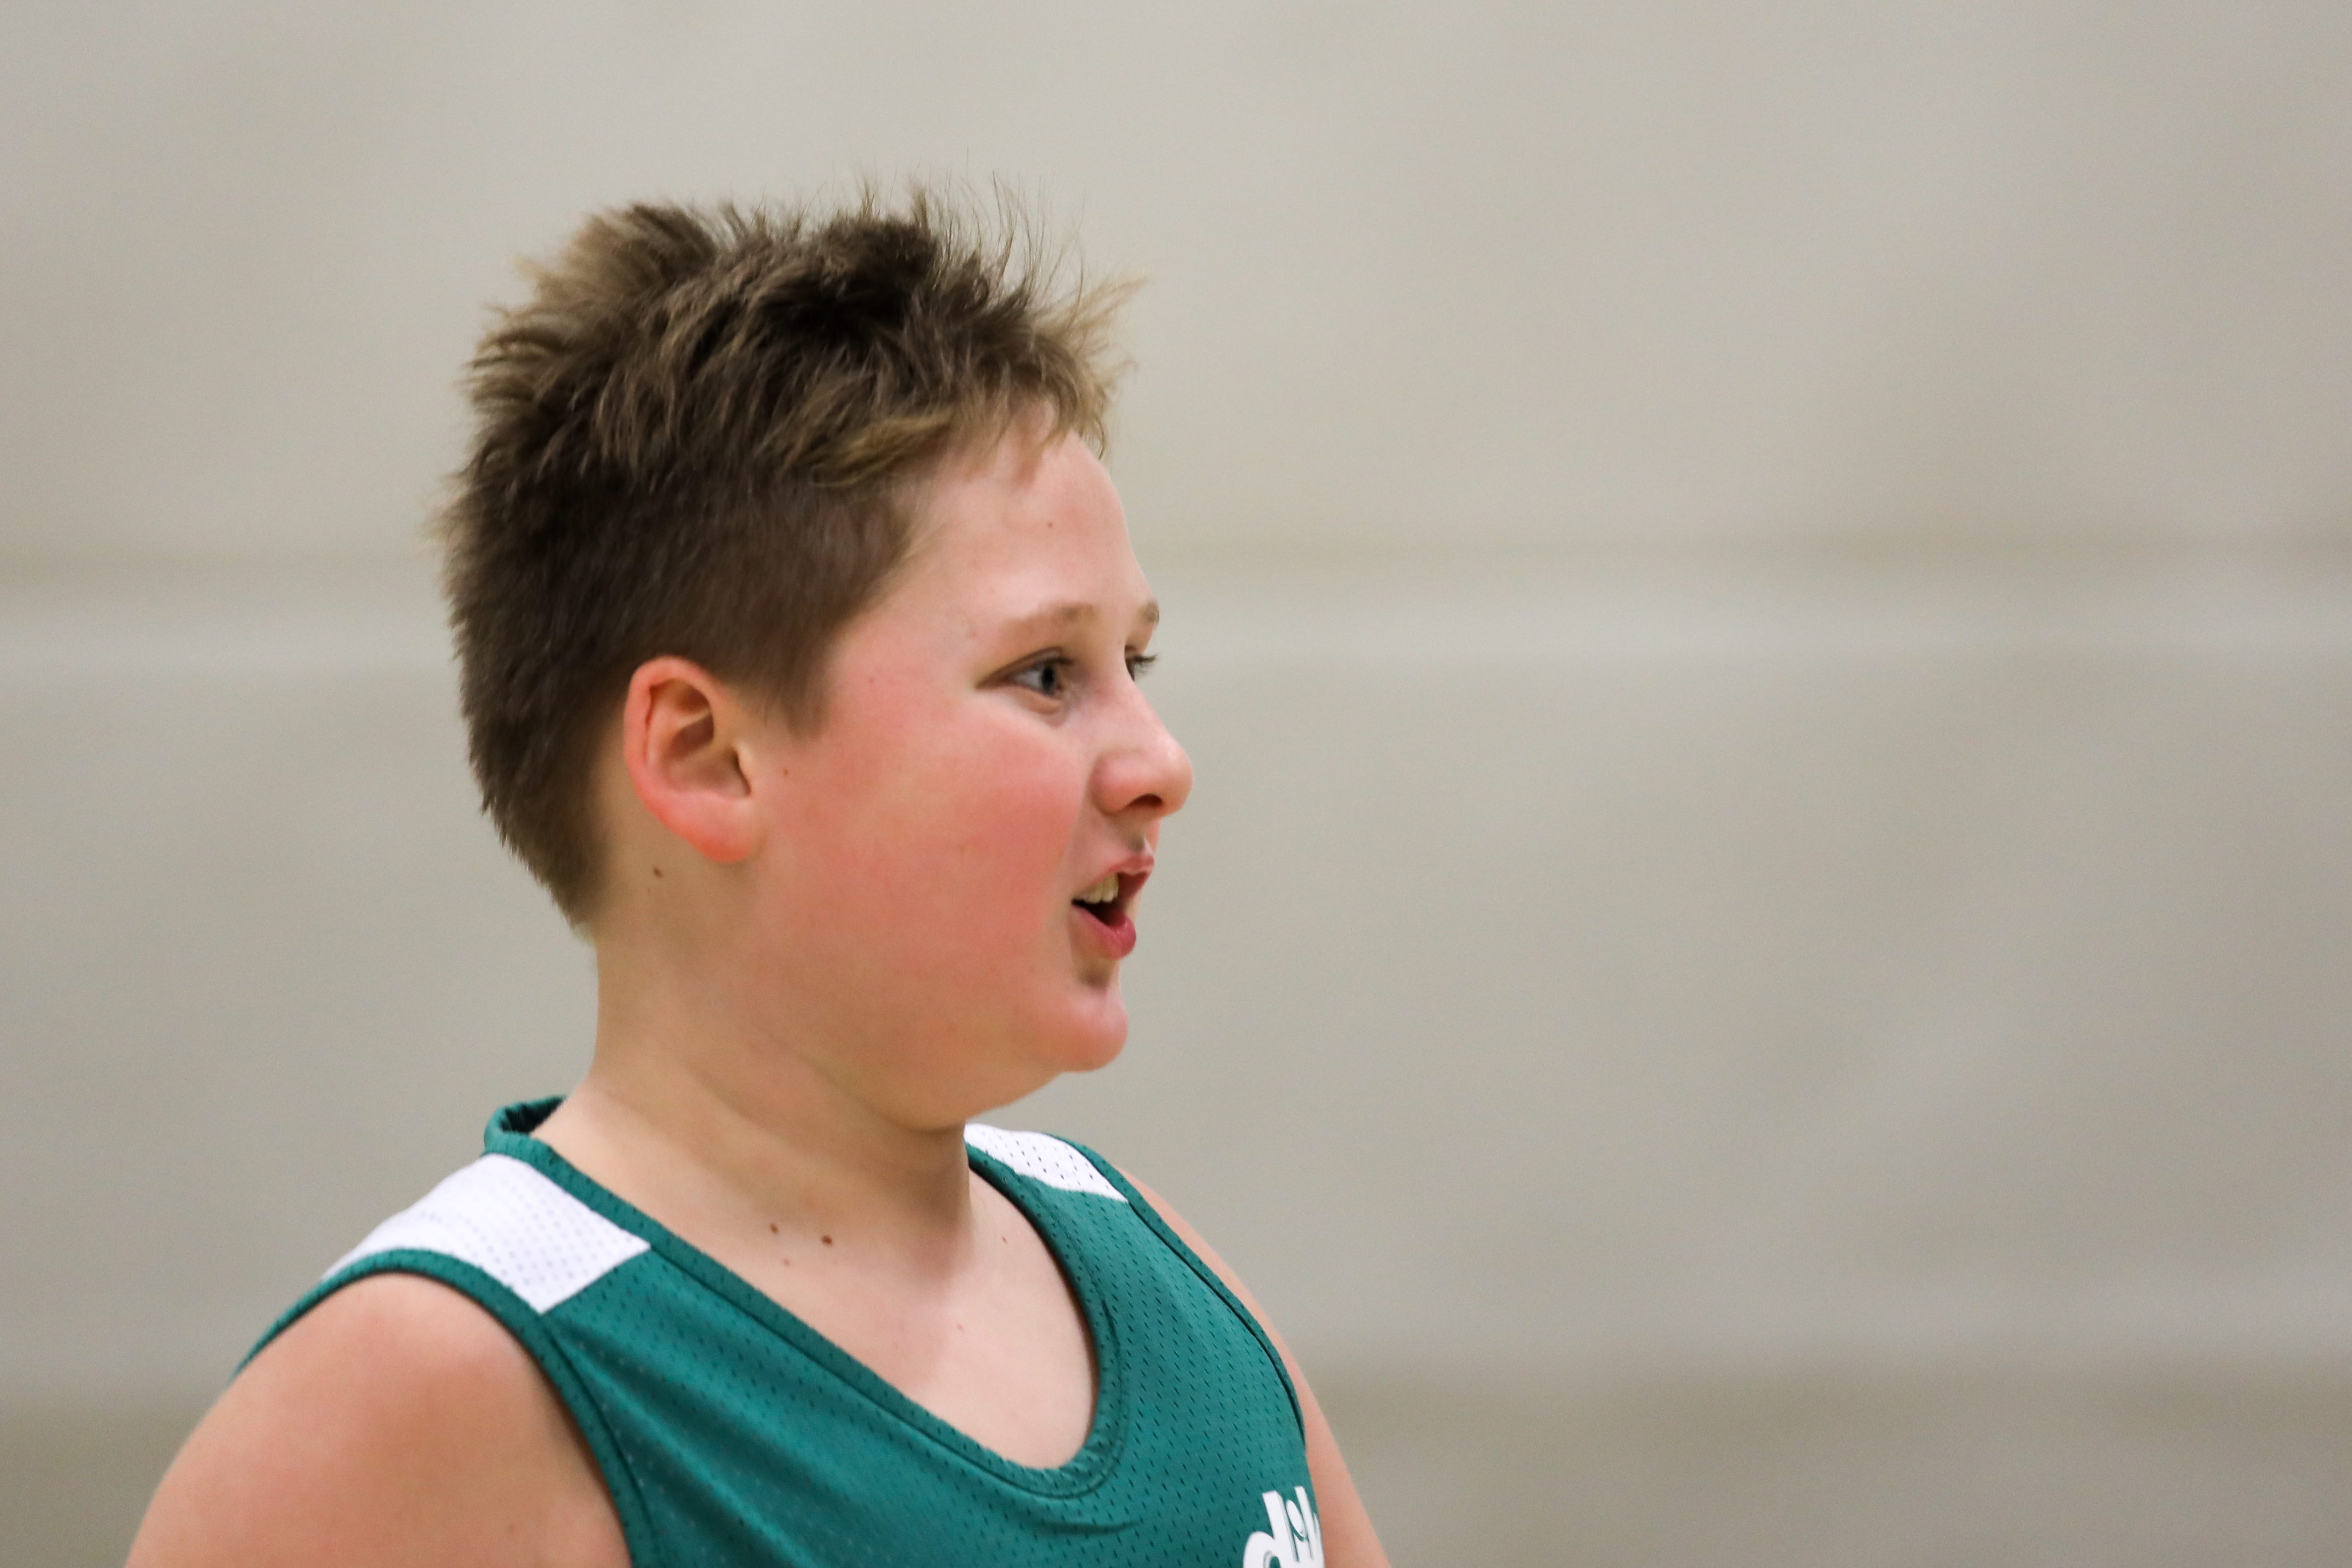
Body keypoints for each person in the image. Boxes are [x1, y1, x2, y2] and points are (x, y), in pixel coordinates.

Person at [126, 190, 1388, 1568]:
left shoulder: (1164, 1284)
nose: (1161, 762)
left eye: (1133, 664)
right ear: (706, 754)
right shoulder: (431, 1394)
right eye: (1043, 673)